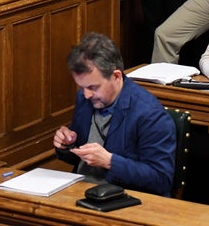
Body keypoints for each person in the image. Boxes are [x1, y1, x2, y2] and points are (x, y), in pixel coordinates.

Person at [53, 32, 176, 196]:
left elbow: (160, 180)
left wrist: (110, 162)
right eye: (81, 87)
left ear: (116, 76)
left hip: (126, 200)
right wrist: (66, 145)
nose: (87, 94)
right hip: (82, 192)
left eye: (93, 87)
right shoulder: (84, 99)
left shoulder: (150, 114)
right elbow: (79, 157)